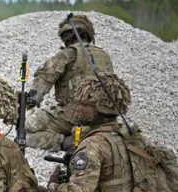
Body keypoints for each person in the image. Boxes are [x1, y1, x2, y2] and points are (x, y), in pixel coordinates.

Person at [30, 73, 159, 192]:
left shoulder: (92, 145)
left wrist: (52, 187)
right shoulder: (130, 135)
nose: (79, 108)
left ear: (99, 108)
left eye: (85, 104)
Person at [25, 14, 114, 152]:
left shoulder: (68, 53)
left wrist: (31, 100)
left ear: (66, 38)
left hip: (76, 115)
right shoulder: (104, 56)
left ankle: (66, 142)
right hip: (105, 116)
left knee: (26, 128)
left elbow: (45, 77)